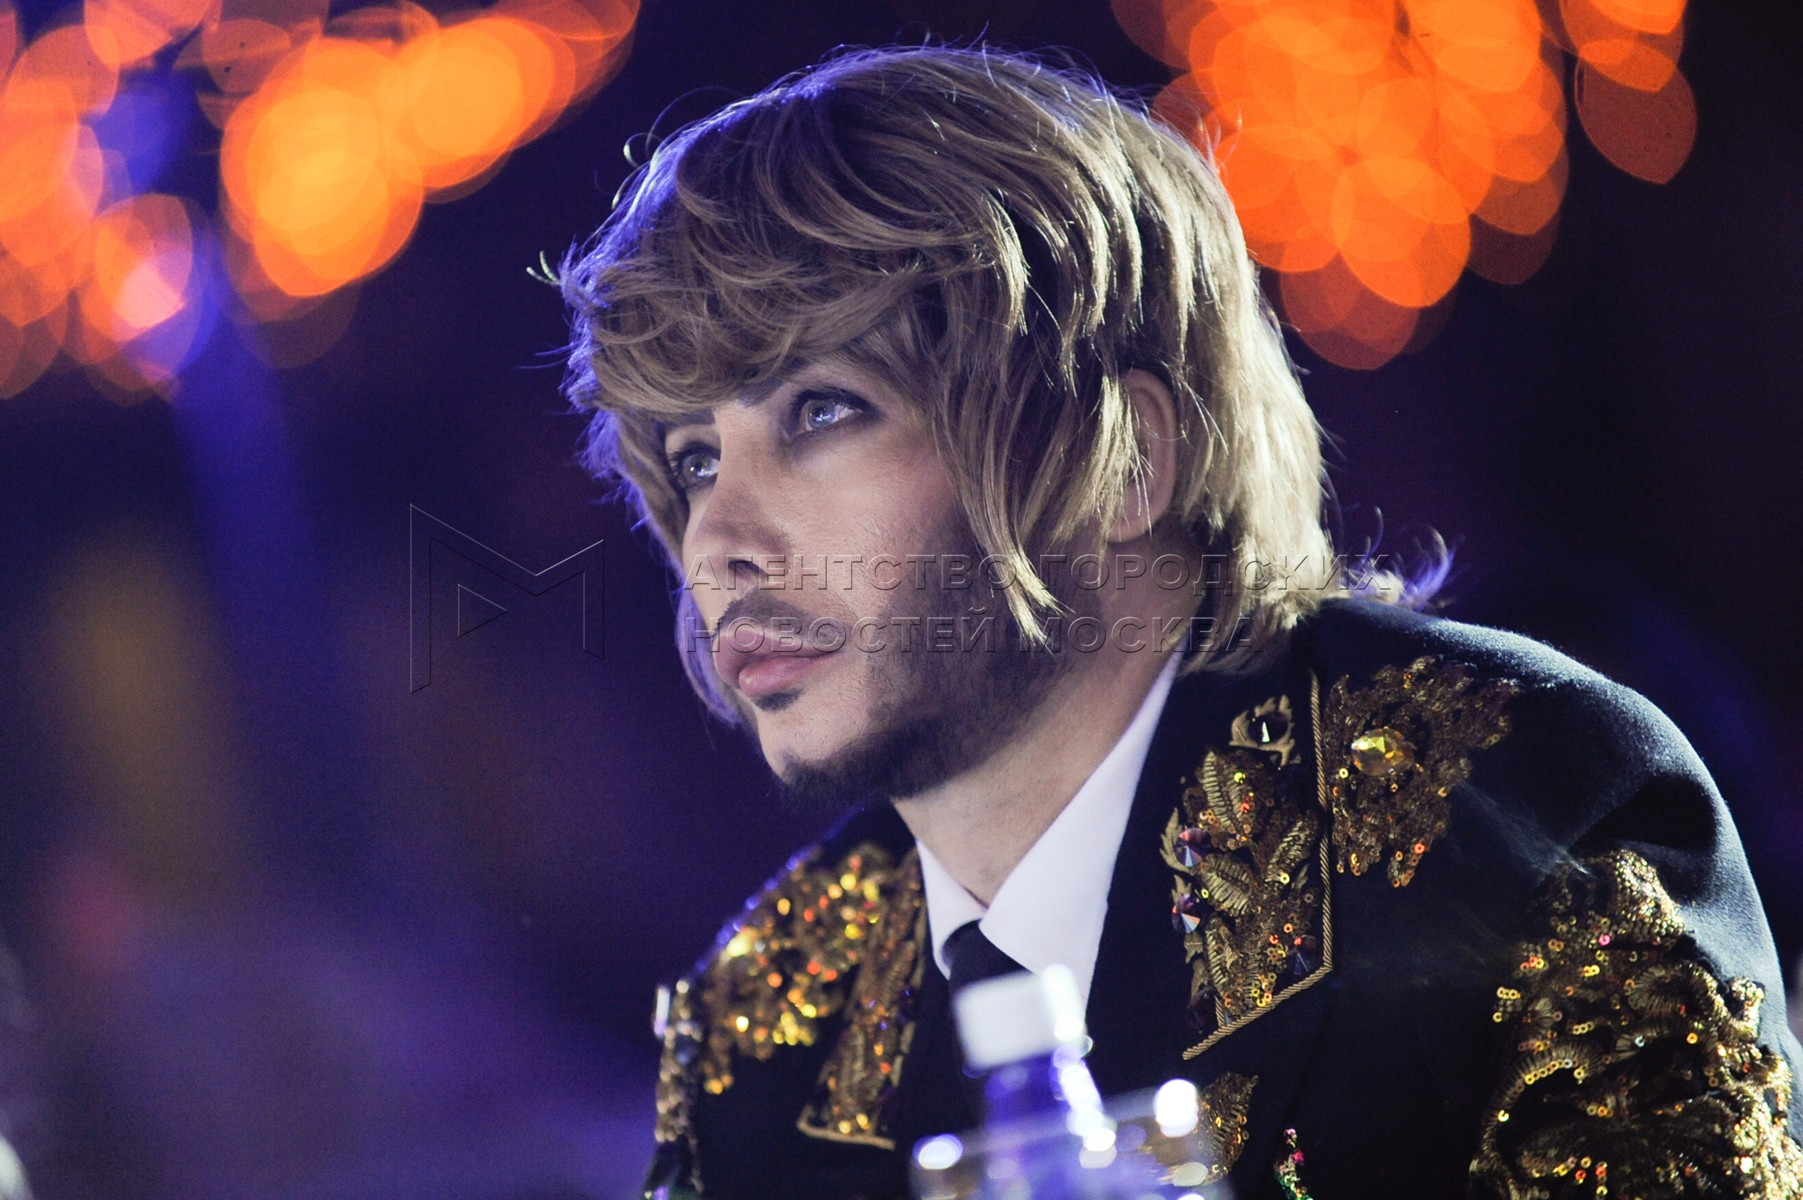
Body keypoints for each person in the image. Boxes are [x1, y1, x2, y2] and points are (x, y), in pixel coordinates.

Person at [558, 45, 1803, 1200]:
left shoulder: (1516, 816)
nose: (718, 540)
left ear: (1124, 458)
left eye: (822, 411)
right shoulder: (758, 1028)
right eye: (693, 458)